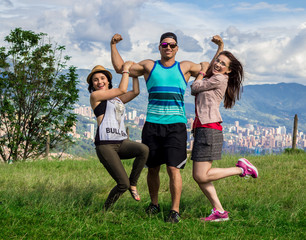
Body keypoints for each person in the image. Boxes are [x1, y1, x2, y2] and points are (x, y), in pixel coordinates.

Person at [110, 32, 223, 223]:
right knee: (152, 168)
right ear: (159, 47)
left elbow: (212, 71)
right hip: (152, 125)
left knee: (173, 169)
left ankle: (174, 211)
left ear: (177, 48)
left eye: (172, 45)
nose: (168, 48)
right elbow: (122, 68)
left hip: (176, 126)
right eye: (165, 44)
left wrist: (219, 48)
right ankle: (154, 205)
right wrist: (113, 45)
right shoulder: (149, 65)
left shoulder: (185, 67)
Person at [190, 38, 259, 222]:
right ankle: (219, 212)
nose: (218, 64)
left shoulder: (219, 78)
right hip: (204, 129)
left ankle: (241, 169)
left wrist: (202, 70)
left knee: (201, 175)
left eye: (223, 63)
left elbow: (195, 87)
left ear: (228, 70)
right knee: (199, 176)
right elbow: (210, 71)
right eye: (218, 61)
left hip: (209, 130)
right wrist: (219, 49)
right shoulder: (216, 76)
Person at [87, 63, 149, 210]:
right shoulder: (95, 96)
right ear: (92, 84)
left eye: (103, 78)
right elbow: (122, 89)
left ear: (108, 81)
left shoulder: (117, 99)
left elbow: (135, 91)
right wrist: (126, 69)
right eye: (95, 80)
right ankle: (104, 211)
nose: (100, 82)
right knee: (122, 184)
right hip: (105, 144)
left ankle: (133, 183)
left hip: (121, 142)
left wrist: (134, 75)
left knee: (144, 150)